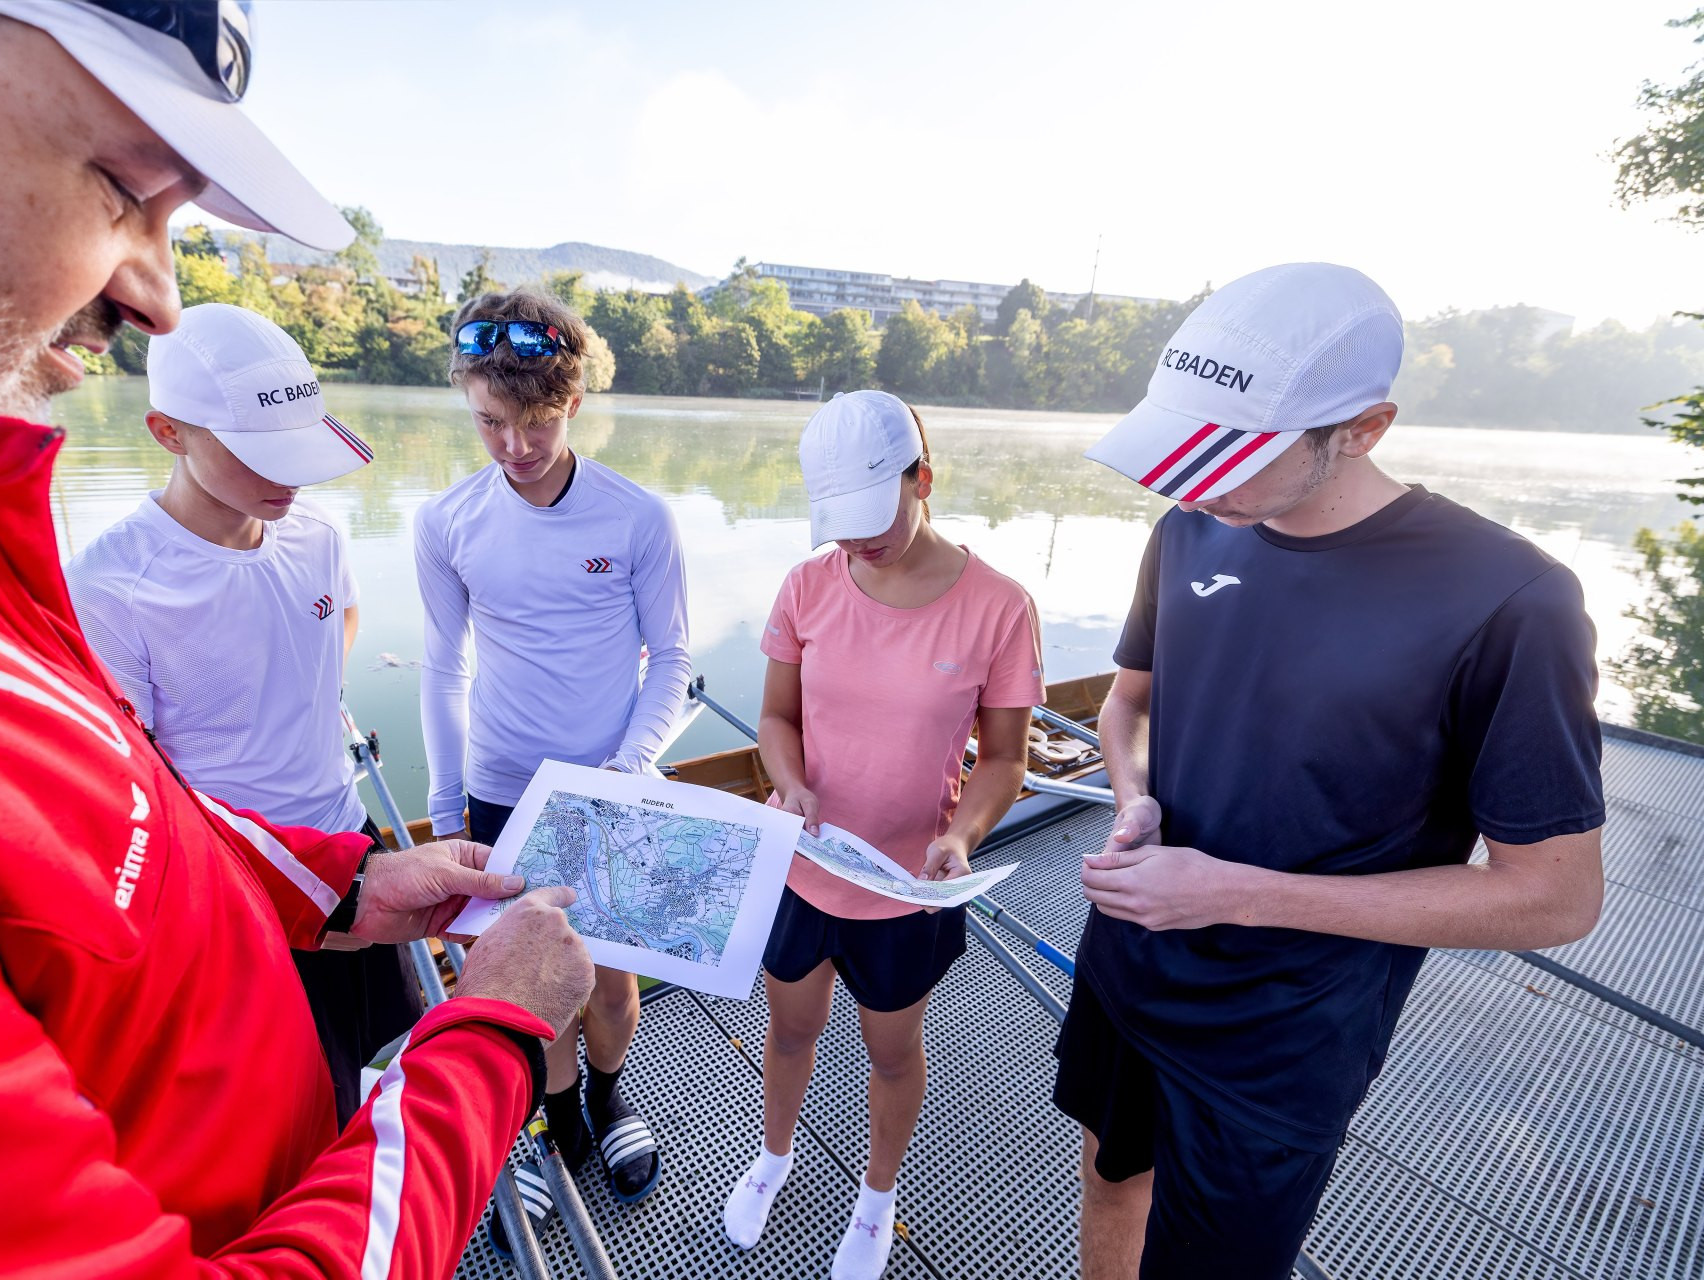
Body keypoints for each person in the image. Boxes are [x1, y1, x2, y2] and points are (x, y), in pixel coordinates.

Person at [0, 2, 594, 1277]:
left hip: (315, 960)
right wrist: (488, 1038)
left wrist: (336, 885)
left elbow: (114, 833)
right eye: (119, 183)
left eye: (170, 217)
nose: (157, 296)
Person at [1063, 262, 1606, 1280]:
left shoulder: (1512, 598)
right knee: (1106, 1174)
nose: (1192, 481)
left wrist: (1233, 891)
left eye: (1231, 454)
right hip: (1129, 959)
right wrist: (1135, 799)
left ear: (1363, 427)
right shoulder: (1190, 524)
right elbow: (1127, 703)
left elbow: (1555, 898)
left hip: (1283, 1033)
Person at [67, 302, 422, 1129]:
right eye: (261, 453)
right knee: (294, 1100)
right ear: (168, 432)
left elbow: (340, 629)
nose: (291, 478)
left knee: (382, 1039)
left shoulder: (317, 535)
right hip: (238, 886)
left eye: (301, 449)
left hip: (347, 840)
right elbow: (132, 787)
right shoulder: (112, 586)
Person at [724, 390, 1044, 1280]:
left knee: (891, 1050)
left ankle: (876, 1198)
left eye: (874, 520)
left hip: (910, 882)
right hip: (807, 865)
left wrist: (966, 834)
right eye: (840, 527)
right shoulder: (807, 587)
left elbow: (1006, 759)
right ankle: (775, 1155)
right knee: (790, 1031)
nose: (856, 545)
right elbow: (776, 719)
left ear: (924, 479)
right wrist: (787, 782)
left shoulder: (1000, 607)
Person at [412, 286, 693, 1252]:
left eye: (534, 422)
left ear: (570, 404)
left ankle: (609, 1104)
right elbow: (444, 665)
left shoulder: (637, 518)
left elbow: (677, 662)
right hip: (499, 787)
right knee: (527, 985)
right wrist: (445, 808)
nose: (514, 446)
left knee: (608, 984)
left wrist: (625, 767)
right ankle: (550, 1125)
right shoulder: (446, 521)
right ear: (468, 399)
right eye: (491, 420)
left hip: (612, 785)